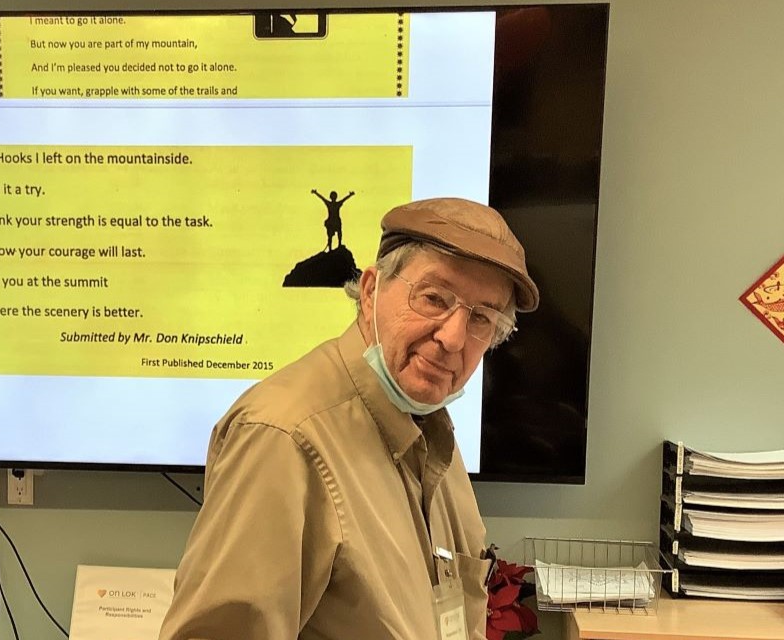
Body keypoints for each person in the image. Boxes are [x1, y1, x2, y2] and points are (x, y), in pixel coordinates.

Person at [159, 197, 540, 640]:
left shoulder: (432, 430)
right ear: (371, 291)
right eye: (435, 298)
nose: (453, 337)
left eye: (481, 318)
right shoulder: (283, 437)